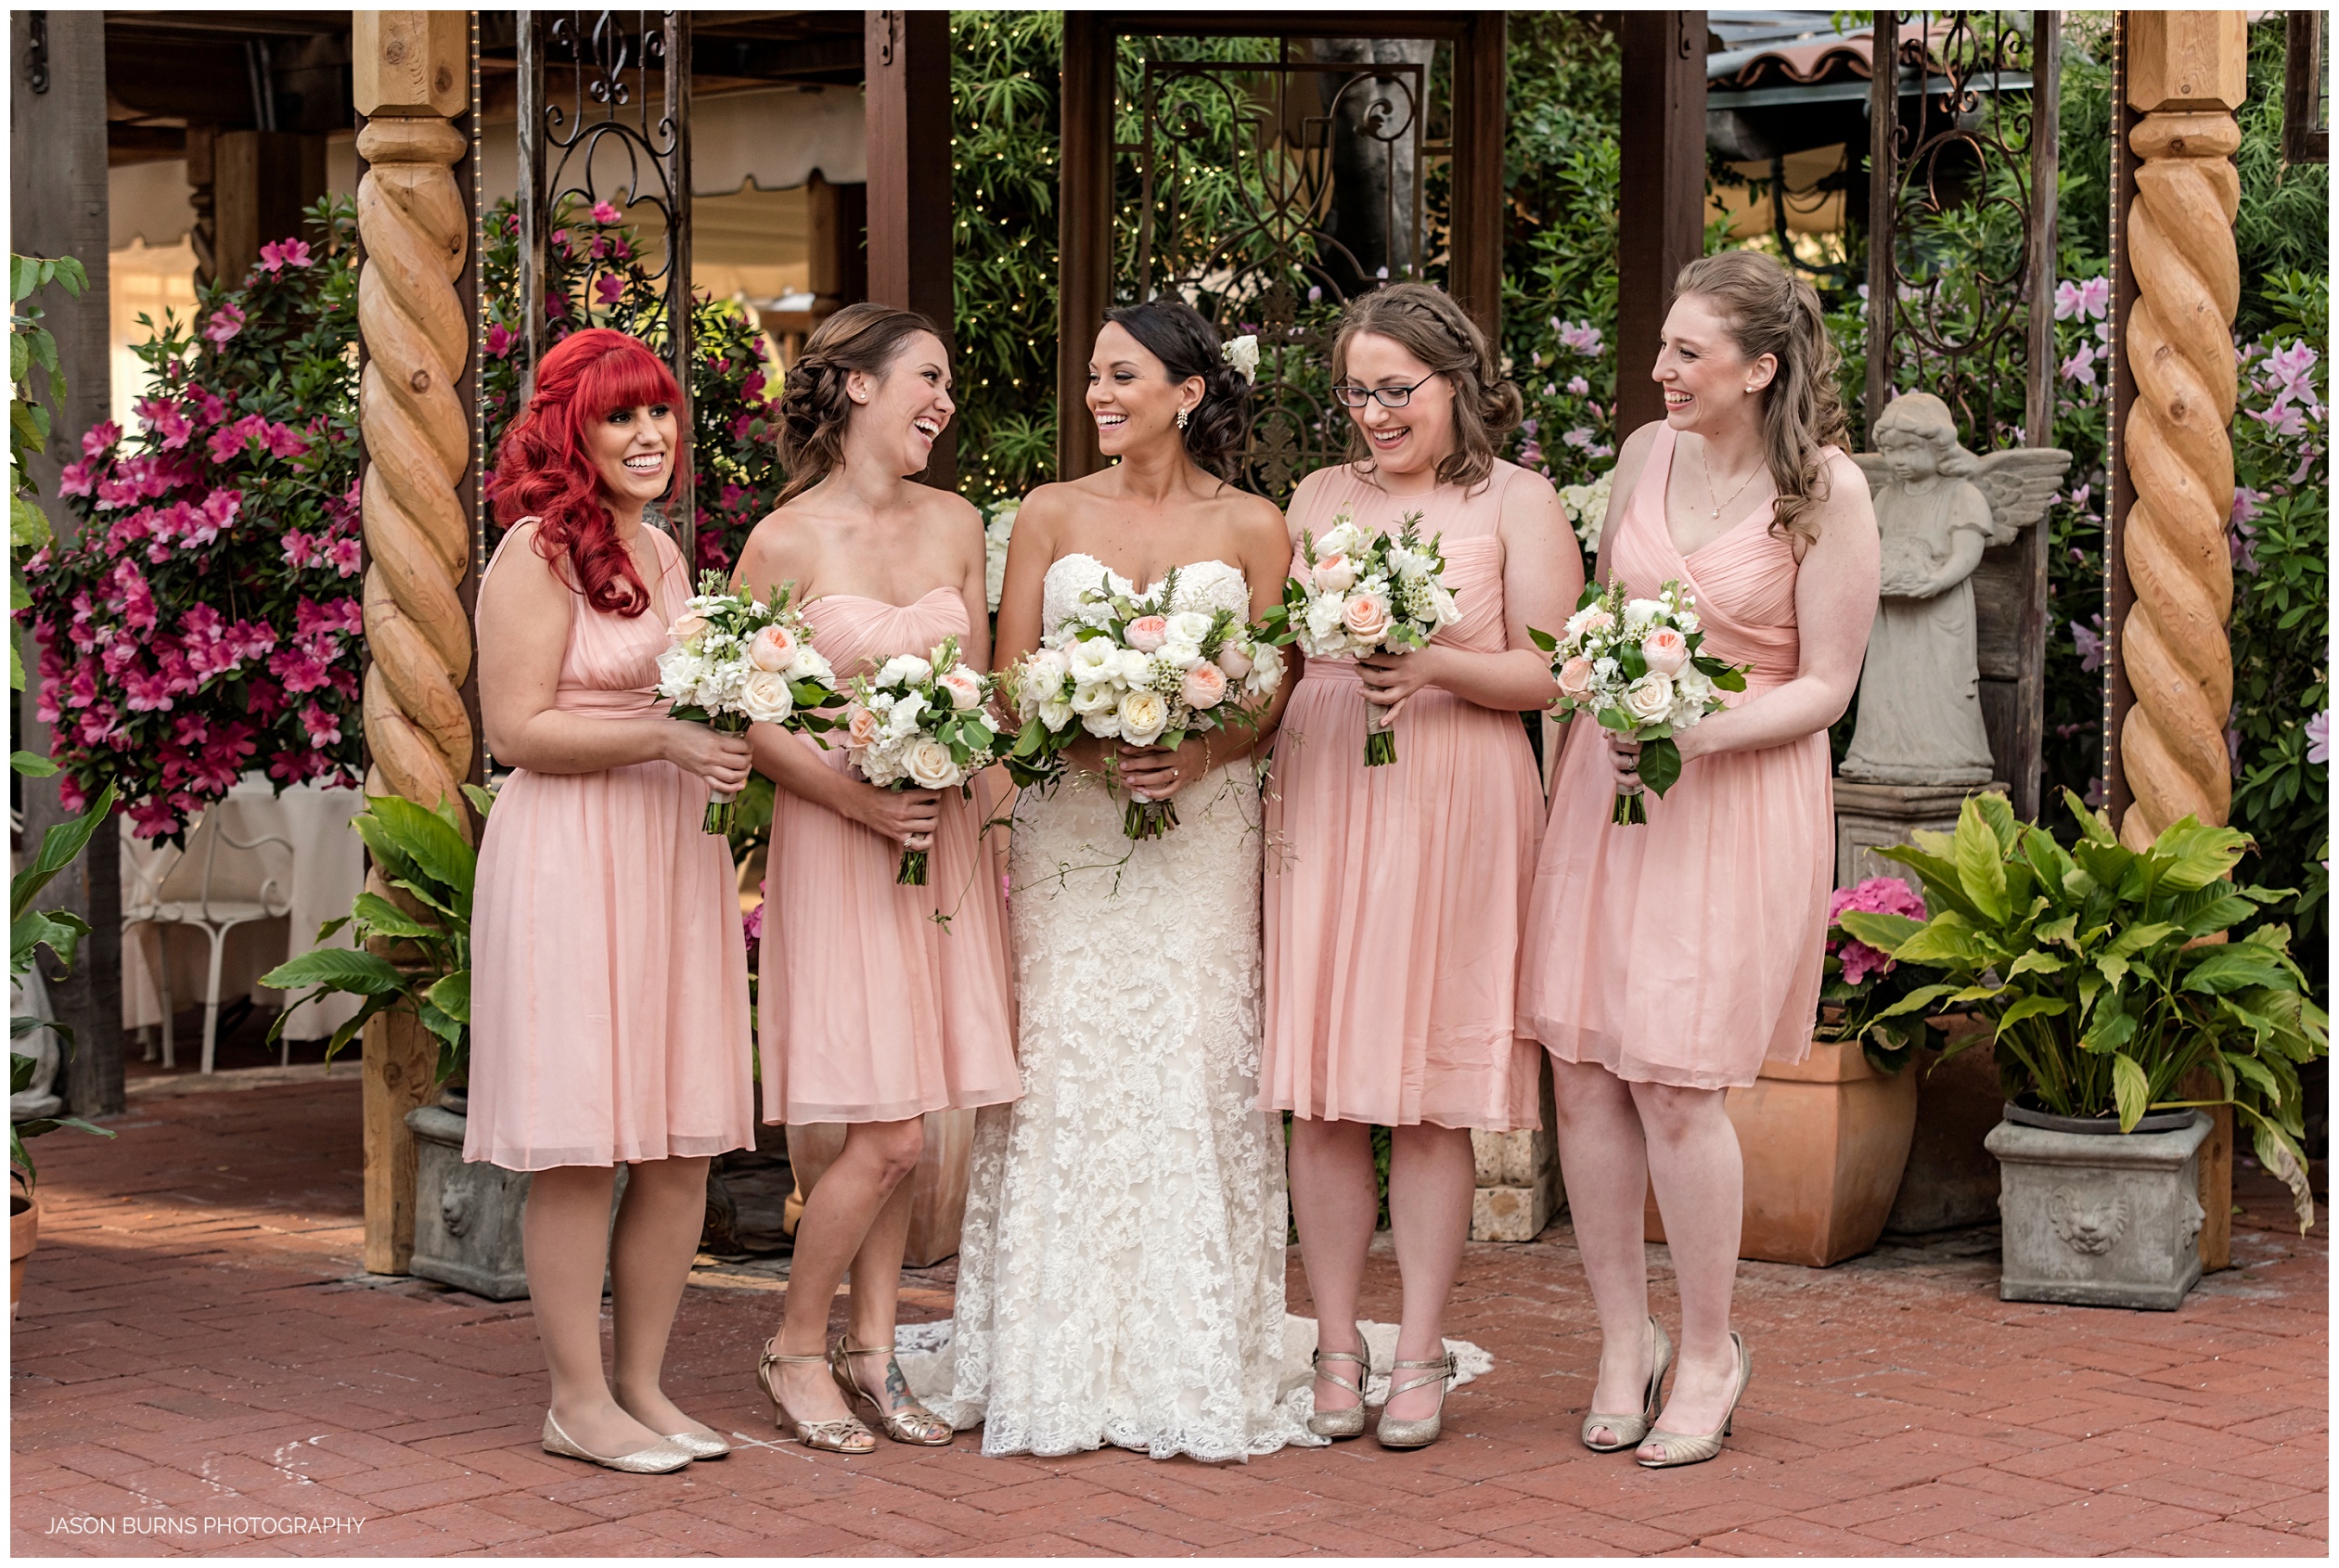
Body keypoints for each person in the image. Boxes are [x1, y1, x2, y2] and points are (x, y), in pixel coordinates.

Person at [1519, 251, 1880, 1468]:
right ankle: (1625, 1340)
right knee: (1581, 1066)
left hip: (1732, 794)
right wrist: (1603, 699)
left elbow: (1826, 684)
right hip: (1609, 789)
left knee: (1675, 1077)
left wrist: (1694, 729)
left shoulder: (1825, 488)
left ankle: (1713, 1345)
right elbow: (1602, 625)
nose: (1660, 368)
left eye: (1687, 351)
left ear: (1759, 367)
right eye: (1663, 346)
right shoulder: (1642, 455)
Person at [933, 299, 1309, 1460]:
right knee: (1067, 1061)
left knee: (1193, 1059)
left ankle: (1191, 1352)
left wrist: (1197, 749)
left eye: (1121, 374)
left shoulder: (1256, 525)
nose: (1098, 394)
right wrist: (1089, 745)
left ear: (1187, 394)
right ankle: (1048, 1353)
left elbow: (1278, 685)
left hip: (1203, 835)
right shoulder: (1046, 513)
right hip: (1070, 830)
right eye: (1094, 376)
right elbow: (1005, 686)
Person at [1263, 283, 1581, 1449]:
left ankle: (1421, 1346)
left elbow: (1553, 673)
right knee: (1327, 1086)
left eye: (1398, 389)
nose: (1375, 414)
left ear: (1457, 382)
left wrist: (1437, 663)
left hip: (1457, 790)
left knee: (1436, 1095)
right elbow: (1283, 652)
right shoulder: (1310, 497)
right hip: (1331, 779)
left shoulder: (1518, 501)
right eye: (1357, 391)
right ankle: (1336, 1345)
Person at [468, 327, 757, 1474]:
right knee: (585, 1143)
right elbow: (514, 731)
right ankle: (574, 1399)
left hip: (665, 855)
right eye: (622, 416)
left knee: (679, 1143)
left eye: (661, 413)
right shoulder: (533, 554)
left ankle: (642, 1383)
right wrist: (664, 734)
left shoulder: (665, 552)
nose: (651, 434)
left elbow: (695, 686)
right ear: (571, 433)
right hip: (571, 856)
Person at [735, 303, 1020, 1455]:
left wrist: (997, 822)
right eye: (927, 376)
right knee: (891, 1131)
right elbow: (742, 711)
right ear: (855, 386)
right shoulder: (783, 542)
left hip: (940, 848)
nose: (943, 401)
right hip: (839, 844)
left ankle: (872, 1346)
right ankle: (795, 1345)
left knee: (910, 1112)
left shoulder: (958, 522)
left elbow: (983, 697)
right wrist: (857, 793)